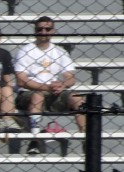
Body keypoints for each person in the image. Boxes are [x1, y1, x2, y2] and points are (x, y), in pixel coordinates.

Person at [14, 15, 86, 153]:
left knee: (77, 98)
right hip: (28, 94)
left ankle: (85, 139)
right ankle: (34, 140)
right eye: (40, 29)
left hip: (55, 92)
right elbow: (21, 80)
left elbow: (71, 78)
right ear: (35, 30)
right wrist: (47, 87)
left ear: (53, 31)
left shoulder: (59, 51)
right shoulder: (25, 50)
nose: (43, 32)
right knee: (38, 96)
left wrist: (62, 84)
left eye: (47, 29)